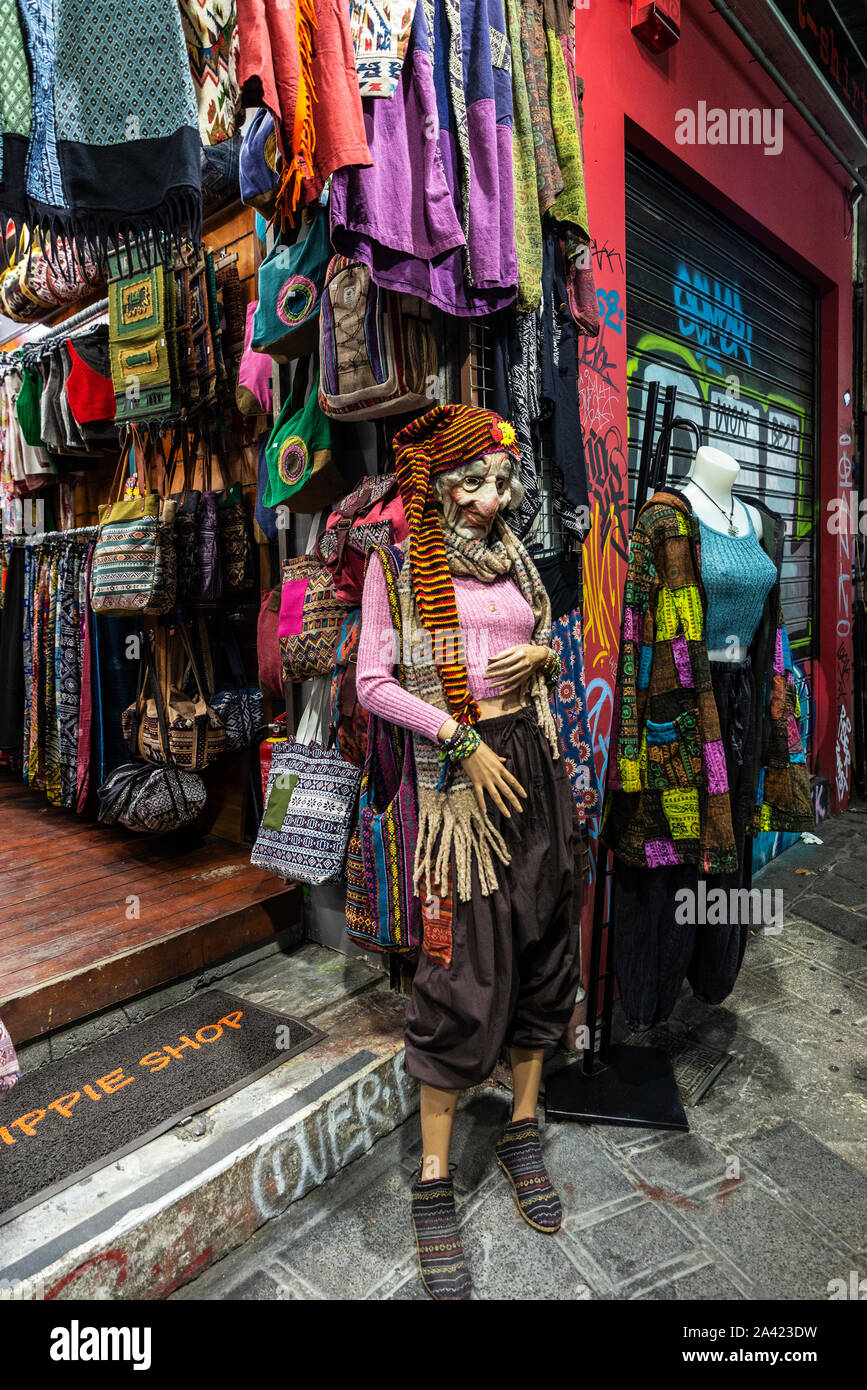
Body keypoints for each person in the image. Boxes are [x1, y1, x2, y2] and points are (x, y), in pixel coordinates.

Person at [356, 403, 583, 1300]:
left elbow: (526, 646)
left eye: (503, 483)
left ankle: (523, 1126)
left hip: (532, 758)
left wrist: (545, 659)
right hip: (459, 778)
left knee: (541, 942)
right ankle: (435, 1179)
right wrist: (457, 739)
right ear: (439, 483)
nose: (494, 501)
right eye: (476, 484)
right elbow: (374, 682)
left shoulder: (515, 556)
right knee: (460, 972)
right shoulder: (401, 564)